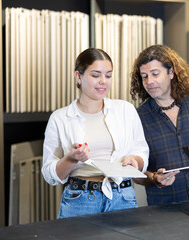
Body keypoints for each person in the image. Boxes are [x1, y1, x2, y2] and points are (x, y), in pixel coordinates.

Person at [42, 48, 149, 218]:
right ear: (78, 76)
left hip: (123, 198)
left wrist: (135, 161)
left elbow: (141, 152)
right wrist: (71, 158)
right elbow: (50, 175)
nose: (103, 82)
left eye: (108, 75)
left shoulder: (125, 110)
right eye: (95, 75)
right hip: (80, 200)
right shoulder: (59, 118)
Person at [130, 44, 189, 205]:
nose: (149, 81)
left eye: (155, 74)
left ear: (171, 72)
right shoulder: (137, 117)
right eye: (144, 76)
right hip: (164, 209)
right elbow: (134, 172)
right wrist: (154, 178)